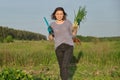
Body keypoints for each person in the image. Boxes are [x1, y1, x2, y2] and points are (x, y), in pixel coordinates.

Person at [48, 7, 77, 80]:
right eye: (57, 14)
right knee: (61, 66)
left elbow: (73, 35)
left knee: (64, 66)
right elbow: (50, 38)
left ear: (63, 14)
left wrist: (75, 30)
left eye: (61, 14)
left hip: (69, 46)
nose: (59, 15)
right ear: (54, 15)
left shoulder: (68, 22)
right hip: (58, 47)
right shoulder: (52, 25)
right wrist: (50, 35)